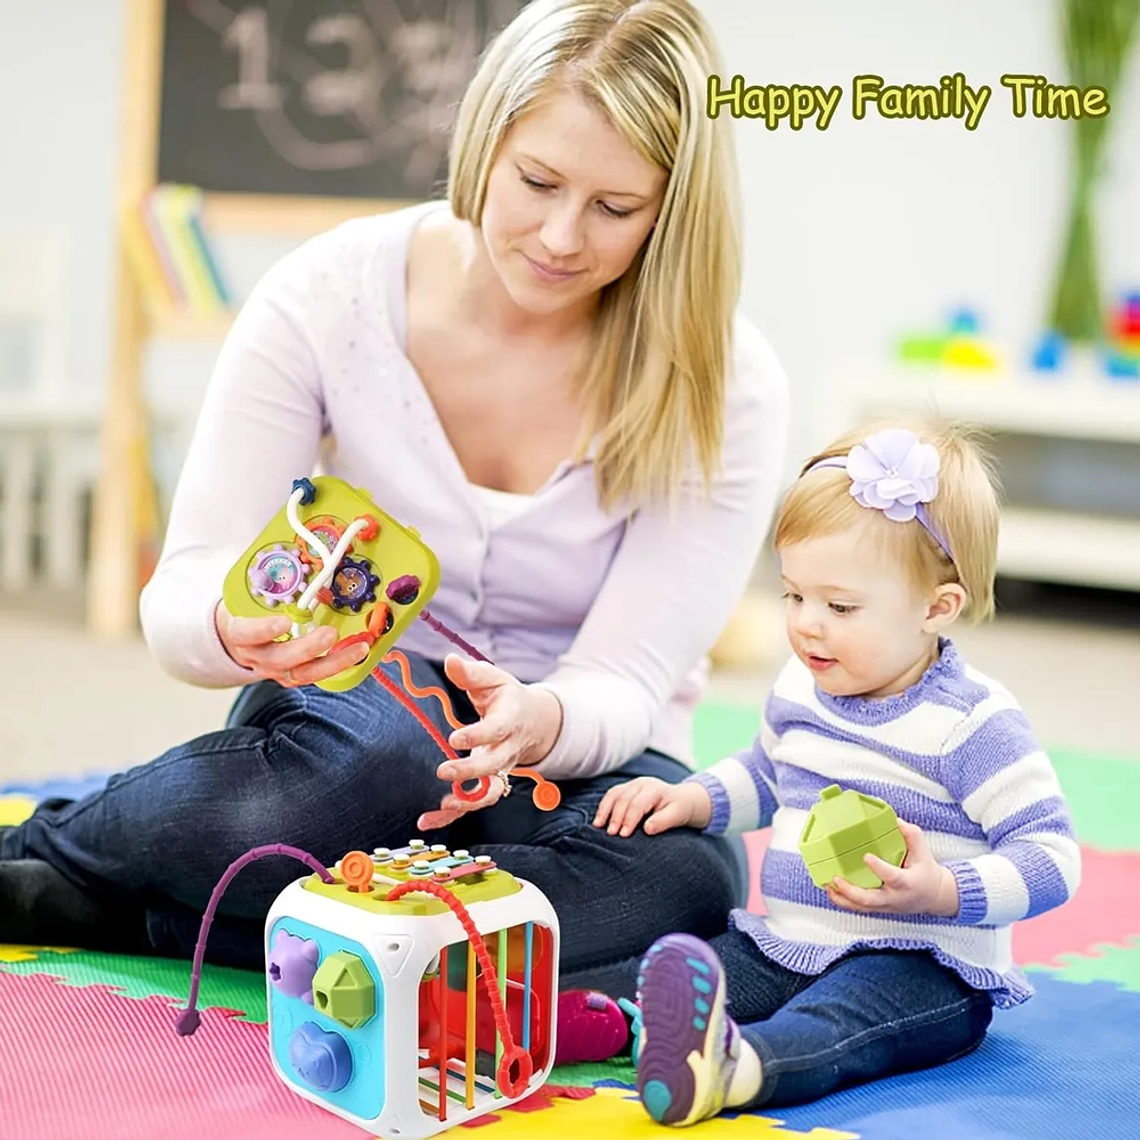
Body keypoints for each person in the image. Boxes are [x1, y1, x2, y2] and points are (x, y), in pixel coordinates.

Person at [0, 0, 789, 1061]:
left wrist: (540, 720)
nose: (561, 238)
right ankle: (64, 842)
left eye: (615, 207)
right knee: (378, 763)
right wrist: (234, 633)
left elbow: (630, 675)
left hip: (573, 752)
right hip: (357, 739)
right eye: (538, 183)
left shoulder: (725, 381)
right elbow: (183, 587)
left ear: (673, 209)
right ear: (486, 142)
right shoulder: (328, 295)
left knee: (690, 876)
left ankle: (155, 913)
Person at [594, 420, 1081, 1122]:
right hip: (789, 944)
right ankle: (606, 1021)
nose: (807, 624)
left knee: (842, 1021)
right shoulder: (801, 686)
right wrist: (692, 798)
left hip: (923, 964)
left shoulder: (971, 726)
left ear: (936, 609)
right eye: (794, 595)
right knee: (710, 965)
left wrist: (942, 889)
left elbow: (1054, 858)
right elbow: (767, 775)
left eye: (840, 606)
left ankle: (738, 1068)